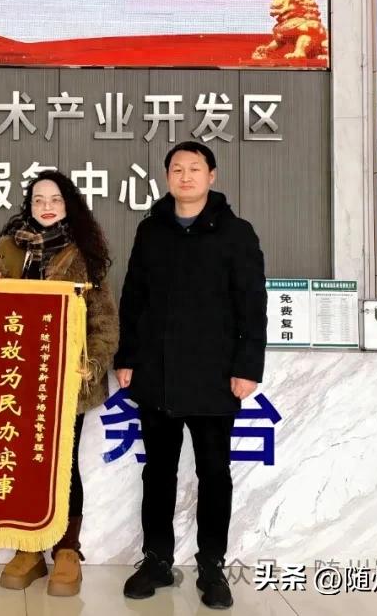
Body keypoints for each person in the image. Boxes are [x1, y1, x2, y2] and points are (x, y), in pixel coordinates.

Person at [115, 142, 266, 610]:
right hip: (156, 373)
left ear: (211, 176)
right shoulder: (151, 231)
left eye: (194, 168)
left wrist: (247, 367)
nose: (185, 176)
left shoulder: (236, 233)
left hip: (214, 376)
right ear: (167, 178)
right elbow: (133, 297)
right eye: (177, 169)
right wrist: (127, 357)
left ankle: (212, 566)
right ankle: (157, 561)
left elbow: (252, 305)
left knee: (214, 473)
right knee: (157, 472)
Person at [0, 170, 118, 597]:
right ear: (29, 205)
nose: (47, 207)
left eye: (56, 199)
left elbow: (104, 323)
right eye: (39, 199)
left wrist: (90, 365)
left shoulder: (86, 256)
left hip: (65, 382)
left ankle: (66, 548)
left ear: (69, 205)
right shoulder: (6, 251)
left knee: (62, 463)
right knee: (22, 462)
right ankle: (29, 546)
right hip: (15, 378)